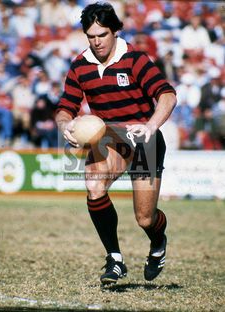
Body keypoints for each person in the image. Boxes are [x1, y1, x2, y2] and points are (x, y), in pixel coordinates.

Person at [55, 2, 176, 285]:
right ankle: (115, 259)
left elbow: (167, 95)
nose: (97, 42)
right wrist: (65, 125)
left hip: (144, 138)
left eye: (103, 35)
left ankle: (158, 243)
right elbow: (65, 106)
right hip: (111, 137)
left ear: (115, 31)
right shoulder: (80, 65)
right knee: (93, 186)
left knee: (145, 219)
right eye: (91, 36)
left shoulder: (136, 59)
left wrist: (151, 126)